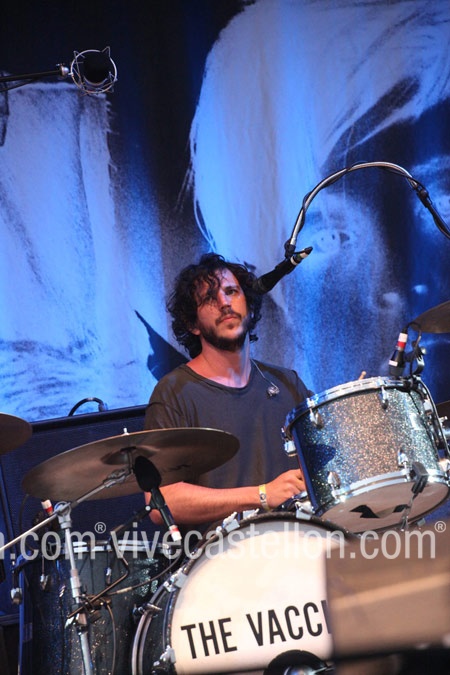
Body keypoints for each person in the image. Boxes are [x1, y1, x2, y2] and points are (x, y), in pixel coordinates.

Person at [143, 252, 310, 529]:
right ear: (192, 324)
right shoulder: (174, 393)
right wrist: (262, 495)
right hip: (224, 551)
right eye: (209, 298)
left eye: (231, 291)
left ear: (250, 306)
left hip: (301, 540)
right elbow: (160, 502)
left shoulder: (287, 383)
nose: (224, 303)